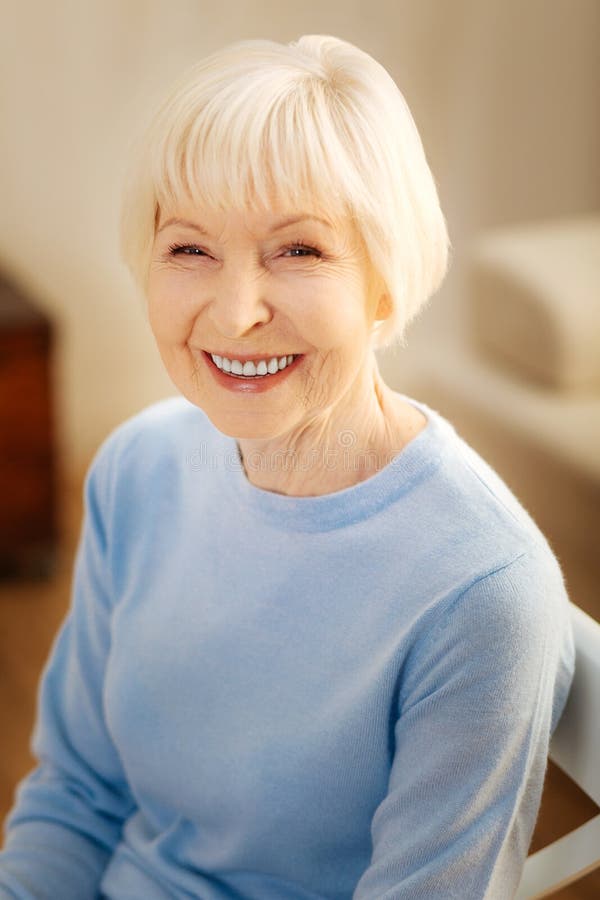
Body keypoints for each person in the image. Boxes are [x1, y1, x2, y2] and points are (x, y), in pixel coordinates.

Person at [0, 35, 574, 900]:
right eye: (189, 249)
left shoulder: (482, 592)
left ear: (385, 279)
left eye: (298, 251)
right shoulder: (137, 471)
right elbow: (76, 797)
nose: (235, 315)